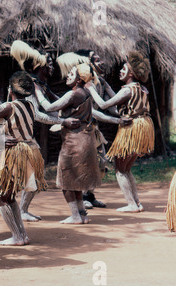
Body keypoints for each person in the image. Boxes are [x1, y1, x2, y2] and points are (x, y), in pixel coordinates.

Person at [0, 71, 81, 243]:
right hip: (32, 150)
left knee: (0, 195)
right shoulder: (29, 106)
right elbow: (3, 112)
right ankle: (21, 235)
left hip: (17, 152)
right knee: (9, 195)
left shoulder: (9, 107)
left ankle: (17, 236)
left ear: (10, 89)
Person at [85, 51, 154, 213]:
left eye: (124, 69)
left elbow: (103, 105)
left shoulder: (127, 90)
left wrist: (91, 89)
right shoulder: (141, 88)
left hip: (132, 128)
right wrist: (106, 85)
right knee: (126, 168)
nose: (120, 71)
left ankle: (131, 204)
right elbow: (119, 109)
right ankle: (137, 203)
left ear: (131, 73)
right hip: (143, 125)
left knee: (120, 168)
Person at [35, 63, 104, 223]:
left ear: (79, 79)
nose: (68, 76)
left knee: (66, 179)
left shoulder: (73, 94)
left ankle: (75, 216)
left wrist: (38, 92)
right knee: (77, 180)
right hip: (86, 140)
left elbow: (49, 106)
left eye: (72, 74)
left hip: (74, 142)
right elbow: (64, 103)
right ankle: (83, 215)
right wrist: (50, 92)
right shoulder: (85, 92)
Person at [56, 50, 122, 209]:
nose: (102, 63)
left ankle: (89, 195)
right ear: (89, 64)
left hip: (93, 129)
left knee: (99, 162)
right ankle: (82, 196)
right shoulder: (85, 88)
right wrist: (115, 120)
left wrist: (124, 113)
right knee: (82, 163)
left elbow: (111, 103)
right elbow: (95, 111)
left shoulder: (102, 83)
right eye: (97, 61)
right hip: (81, 130)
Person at [10, 40, 59, 221]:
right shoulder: (31, 85)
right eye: (50, 63)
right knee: (25, 175)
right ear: (42, 65)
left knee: (35, 174)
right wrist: (62, 120)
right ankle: (16, 210)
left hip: (27, 136)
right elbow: (36, 114)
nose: (52, 66)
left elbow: (54, 105)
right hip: (18, 136)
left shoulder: (41, 85)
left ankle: (22, 210)